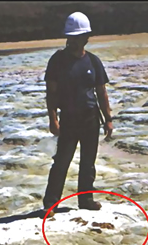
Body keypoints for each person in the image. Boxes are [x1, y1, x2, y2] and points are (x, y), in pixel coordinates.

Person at [43, 12, 113, 216]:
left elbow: (101, 92)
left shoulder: (93, 61)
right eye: (70, 37)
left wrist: (108, 119)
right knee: (62, 161)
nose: (72, 41)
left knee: (88, 161)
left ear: (86, 38)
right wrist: (53, 119)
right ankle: (51, 203)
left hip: (91, 118)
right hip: (69, 120)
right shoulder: (57, 61)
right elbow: (51, 93)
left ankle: (86, 199)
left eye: (77, 37)